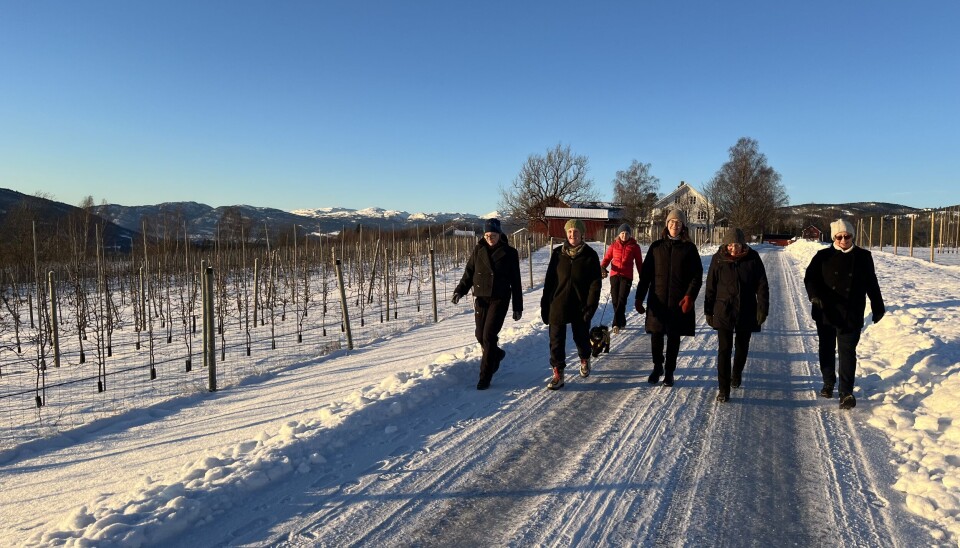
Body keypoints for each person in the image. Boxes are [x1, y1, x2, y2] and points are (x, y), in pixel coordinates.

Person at [804, 219, 885, 409]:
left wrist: (878, 305)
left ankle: (846, 392)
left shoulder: (864, 257)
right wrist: (814, 296)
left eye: (847, 236)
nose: (843, 240)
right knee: (826, 348)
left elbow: (871, 283)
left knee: (847, 352)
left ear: (852, 236)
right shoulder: (822, 255)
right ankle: (828, 382)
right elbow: (810, 278)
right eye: (839, 236)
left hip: (851, 311)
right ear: (834, 237)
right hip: (826, 310)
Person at [452, 218, 523, 390]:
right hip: (481, 298)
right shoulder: (478, 249)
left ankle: (485, 375)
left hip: (499, 299)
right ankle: (496, 354)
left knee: (489, 336)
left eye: (493, 235)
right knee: (479, 335)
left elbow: (516, 282)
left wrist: (517, 306)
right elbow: (469, 272)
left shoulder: (510, 253)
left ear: (499, 235)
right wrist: (460, 291)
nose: (490, 237)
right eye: (487, 235)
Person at [634, 209, 703, 387]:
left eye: (678, 223)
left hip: (677, 302)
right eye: (672, 222)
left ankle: (670, 371)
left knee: (673, 337)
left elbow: (697, 275)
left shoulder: (689, 248)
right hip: (657, 300)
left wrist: (689, 296)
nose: (675, 225)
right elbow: (646, 275)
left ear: (683, 226)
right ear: (667, 224)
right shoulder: (656, 247)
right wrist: (639, 297)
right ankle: (658, 367)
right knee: (656, 336)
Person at [703, 228, 769, 402]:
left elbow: (762, 285)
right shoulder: (718, 259)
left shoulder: (753, 258)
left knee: (742, 347)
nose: (734, 249)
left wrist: (762, 307)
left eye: (737, 245)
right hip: (724, 309)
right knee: (724, 350)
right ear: (726, 244)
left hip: (746, 309)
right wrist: (708, 310)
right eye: (731, 245)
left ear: (743, 244)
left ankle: (736, 373)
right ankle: (723, 390)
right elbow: (711, 285)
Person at [540, 219, 602, 390]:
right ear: (565, 234)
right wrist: (545, 304)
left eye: (576, 232)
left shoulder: (590, 255)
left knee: (581, 337)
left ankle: (584, 357)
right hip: (558, 303)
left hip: (580, 304)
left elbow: (595, 284)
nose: (572, 235)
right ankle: (558, 373)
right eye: (569, 232)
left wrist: (590, 306)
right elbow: (550, 281)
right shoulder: (557, 253)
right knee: (556, 340)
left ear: (582, 234)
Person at [600, 223, 644, 335]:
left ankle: (616, 324)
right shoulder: (614, 245)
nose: (624, 235)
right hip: (614, 275)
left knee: (621, 299)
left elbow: (639, 262)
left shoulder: (634, 247)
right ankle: (622, 319)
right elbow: (607, 258)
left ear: (630, 235)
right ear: (619, 234)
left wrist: (642, 276)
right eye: (622, 233)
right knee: (615, 300)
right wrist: (602, 267)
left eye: (626, 233)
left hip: (627, 276)